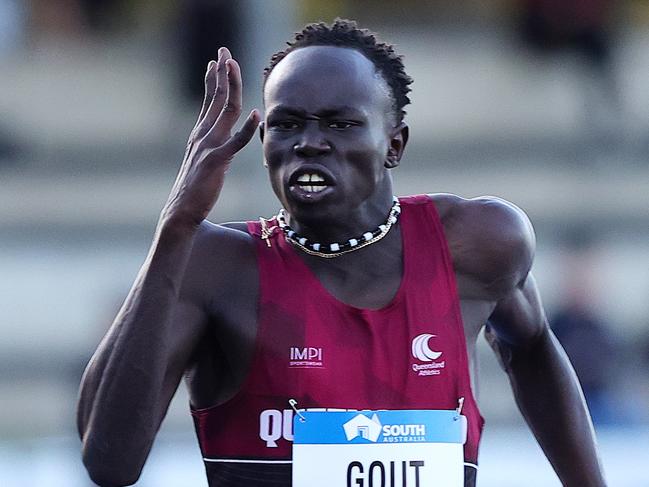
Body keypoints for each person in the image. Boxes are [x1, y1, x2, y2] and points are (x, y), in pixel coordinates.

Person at [77, 19, 606, 487]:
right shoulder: (215, 264)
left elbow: (531, 348)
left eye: (340, 123)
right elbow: (109, 465)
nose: (309, 142)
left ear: (394, 145)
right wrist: (175, 228)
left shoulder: (477, 243)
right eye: (286, 124)